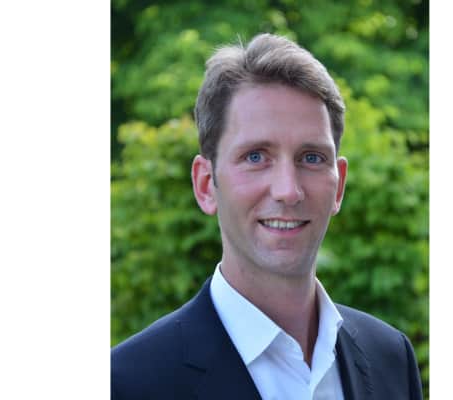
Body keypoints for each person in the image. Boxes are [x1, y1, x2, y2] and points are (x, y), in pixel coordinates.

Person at [111, 33, 423, 400]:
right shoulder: (126, 383)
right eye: (256, 157)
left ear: (339, 186)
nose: (288, 190)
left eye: (311, 158)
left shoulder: (390, 359)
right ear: (206, 184)